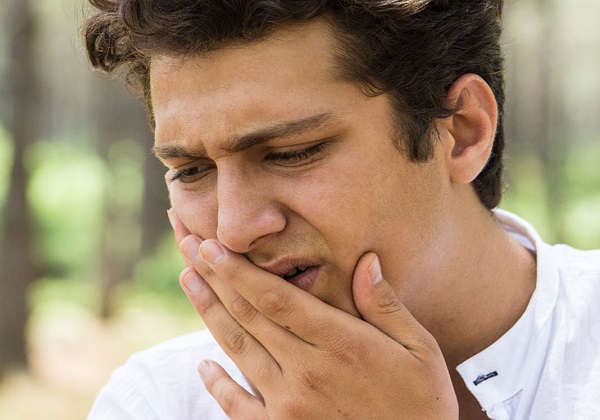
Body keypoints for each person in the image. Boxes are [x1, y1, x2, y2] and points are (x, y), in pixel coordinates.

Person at [83, 0, 600, 419]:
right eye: (191, 171)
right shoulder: (156, 403)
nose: (233, 229)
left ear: (462, 132)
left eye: (292, 153)